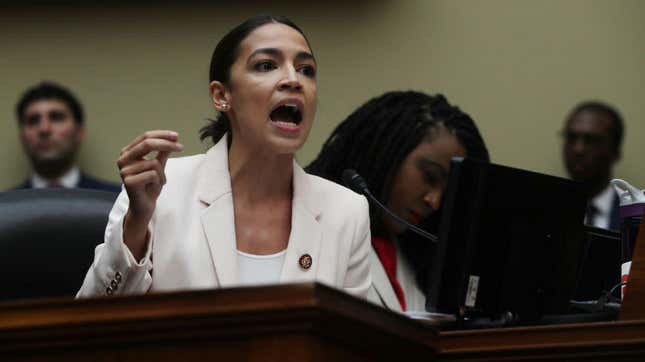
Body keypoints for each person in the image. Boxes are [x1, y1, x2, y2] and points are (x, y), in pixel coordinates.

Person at [77, 15, 371, 298]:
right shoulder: (160, 191)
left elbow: (352, 343)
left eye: (306, 69)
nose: (293, 80)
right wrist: (136, 225)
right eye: (267, 65)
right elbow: (89, 324)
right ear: (221, 96)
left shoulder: (346, 212)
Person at [307, 91, 489, 312]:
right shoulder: (309, 224)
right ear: (385, 151)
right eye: (430, 176)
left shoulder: (413, 258)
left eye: (447, 193)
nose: (435, 202)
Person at [13, 82, 121, 192]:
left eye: (56, 118)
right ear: (22, 137)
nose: (44, 129)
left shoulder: (118, 201)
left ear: (79, 132)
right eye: (33, 120)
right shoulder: (5, 205)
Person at [562, 101, 624, 230]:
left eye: (591, 140)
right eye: (572, 137)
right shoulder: (543, 208)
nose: (578, 149)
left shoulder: (636, 217)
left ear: (615, 151)